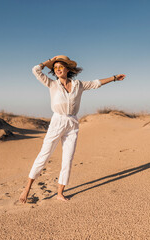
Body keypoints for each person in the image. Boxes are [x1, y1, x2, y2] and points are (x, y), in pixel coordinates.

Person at [19, 55, 126, 202]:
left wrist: (114, 78)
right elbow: (35, 70)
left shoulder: (78, 85)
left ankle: (60, 193)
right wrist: (49, 61)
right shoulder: (52, 84)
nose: (57, 70)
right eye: (55, 68)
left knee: (68, 158)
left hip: (73, 123)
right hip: (57, 121)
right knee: (44, 155)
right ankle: (26, 190)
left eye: (60, 67)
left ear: (68, 69)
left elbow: (96, 83)